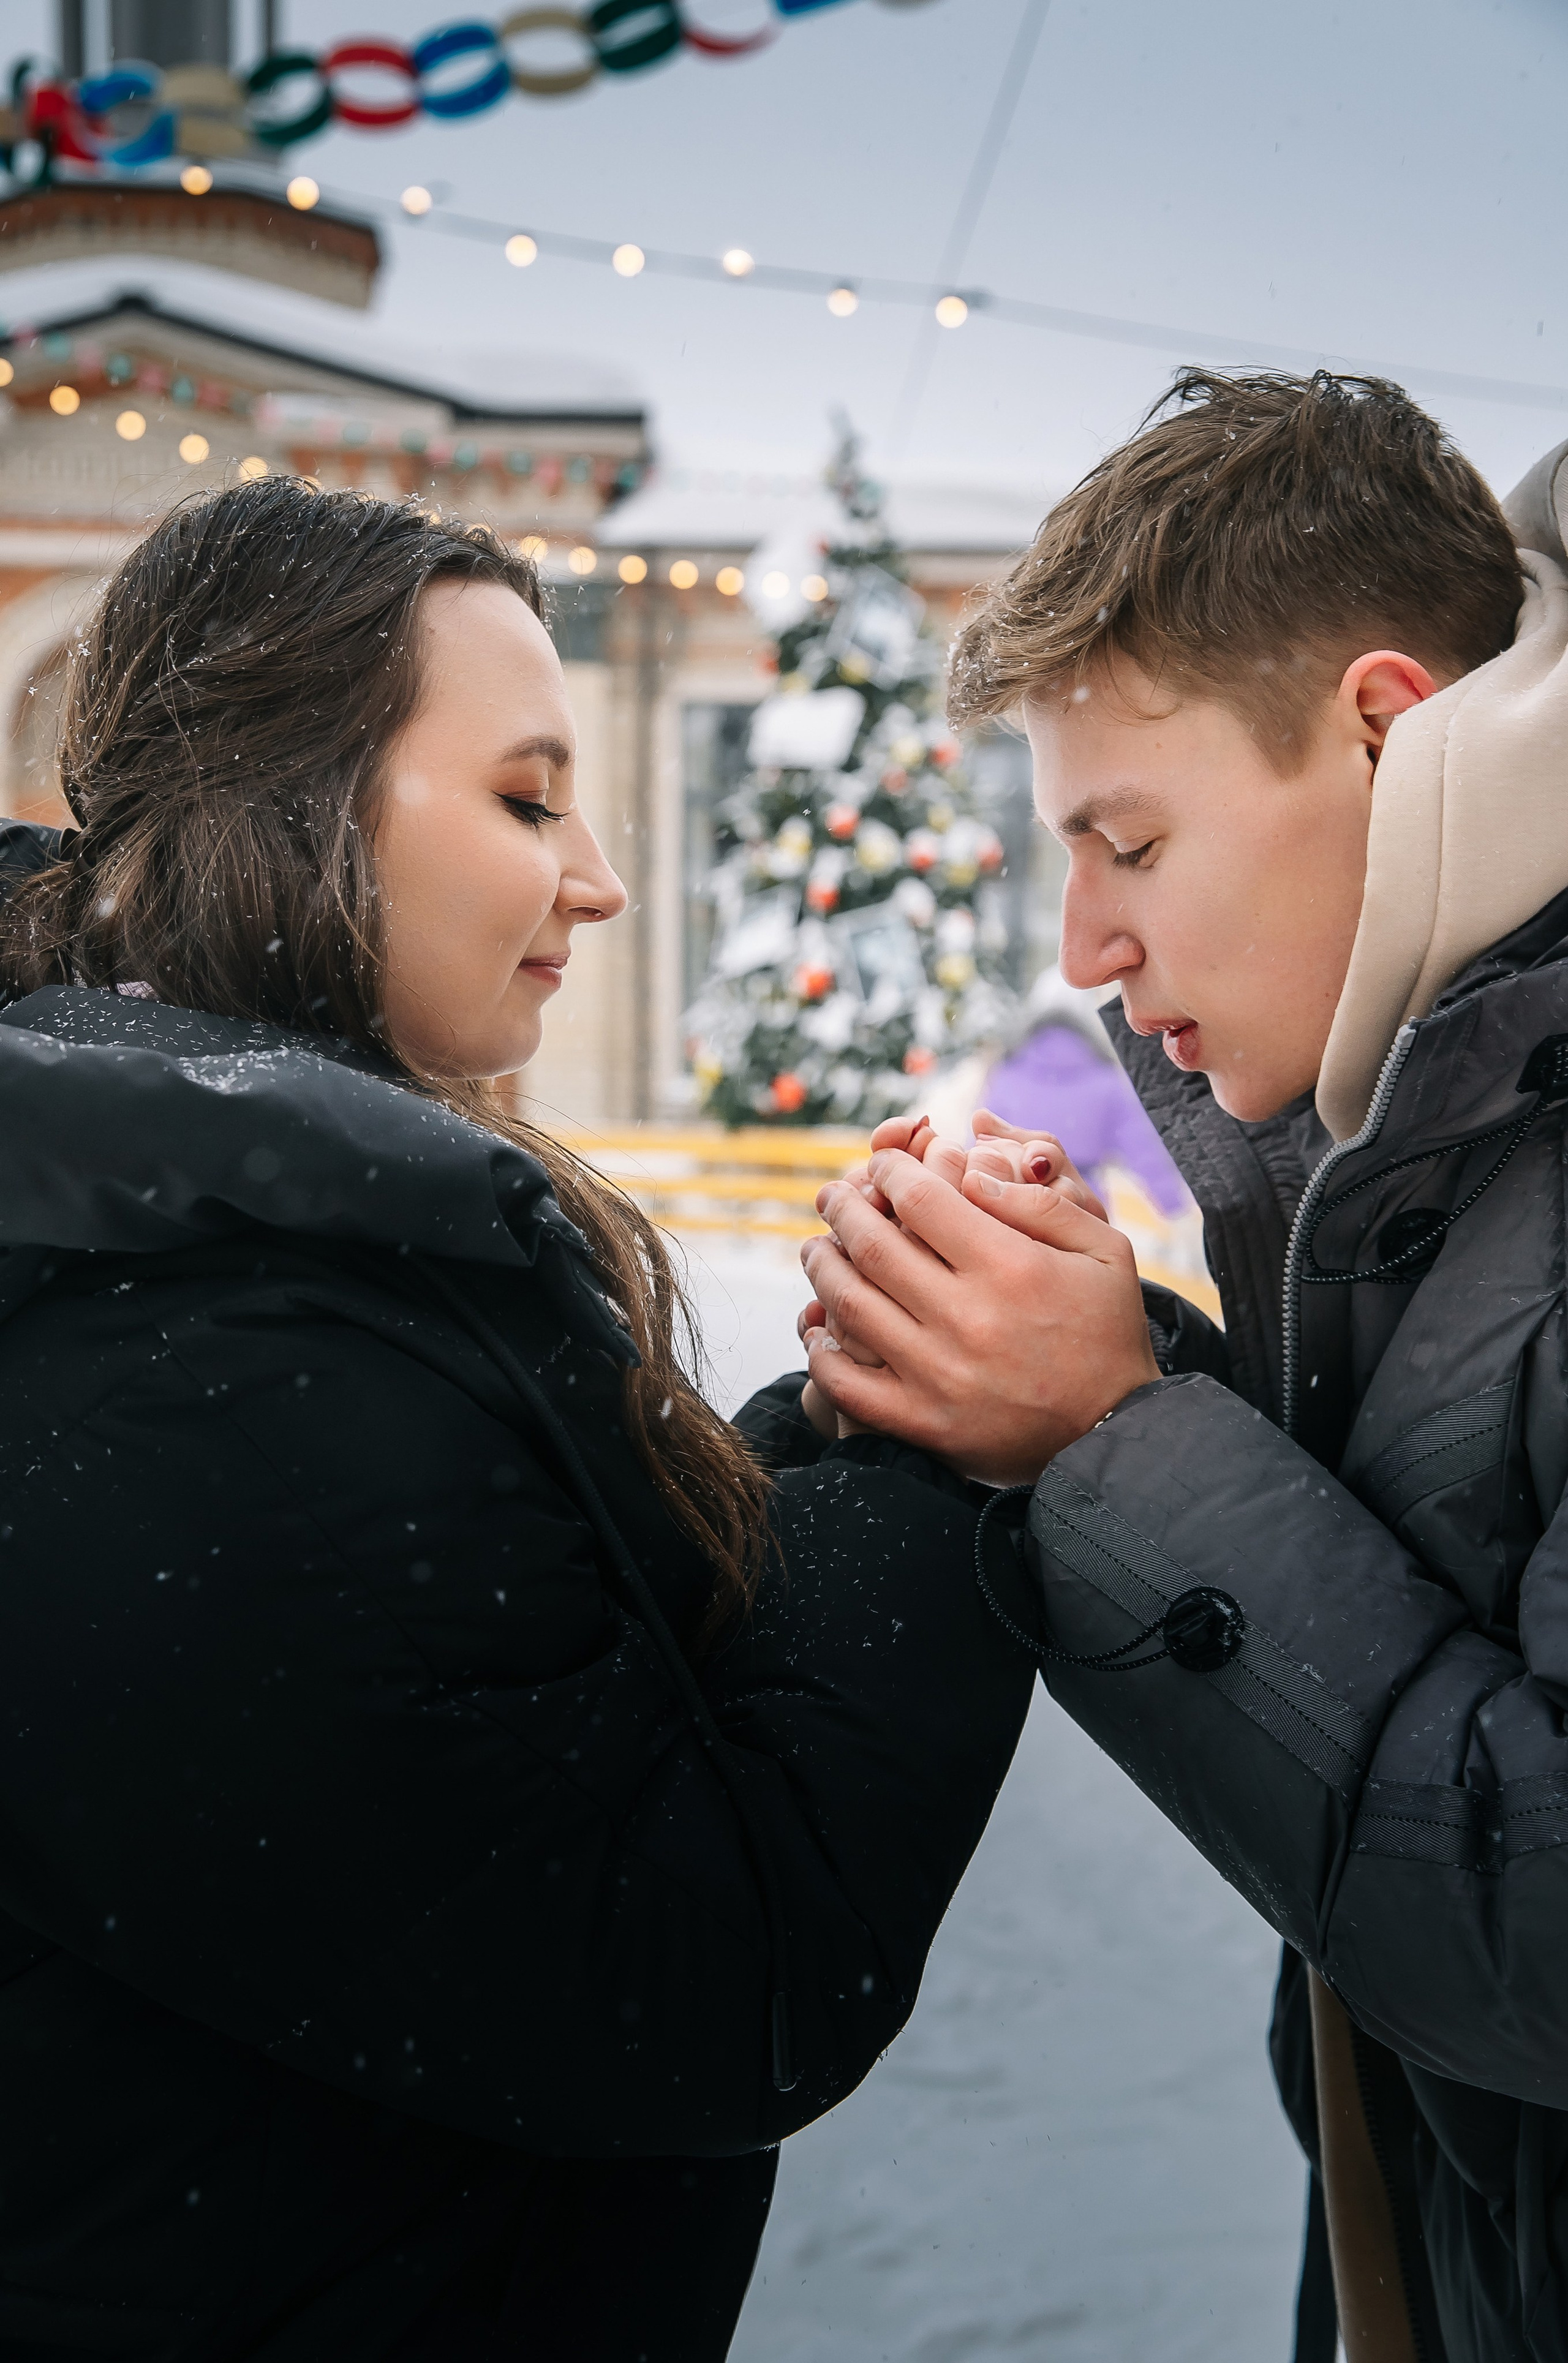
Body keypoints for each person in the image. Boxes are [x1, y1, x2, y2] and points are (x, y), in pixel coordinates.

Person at [0, 480, 1037, 2361]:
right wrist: (947, 1453)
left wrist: (839, 1416)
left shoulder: (227, 1239)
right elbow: (709, 1974)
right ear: (288, 798)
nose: (602, 877)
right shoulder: (210, 1364)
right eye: (524, 796)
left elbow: (536, 1684)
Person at [797, 371, 1568, 2362]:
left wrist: (1116, 1437)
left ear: (1389, 734)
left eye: (1126, 838)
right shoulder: (1419, 1145)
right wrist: (1092, 1360)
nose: (1082, 945)